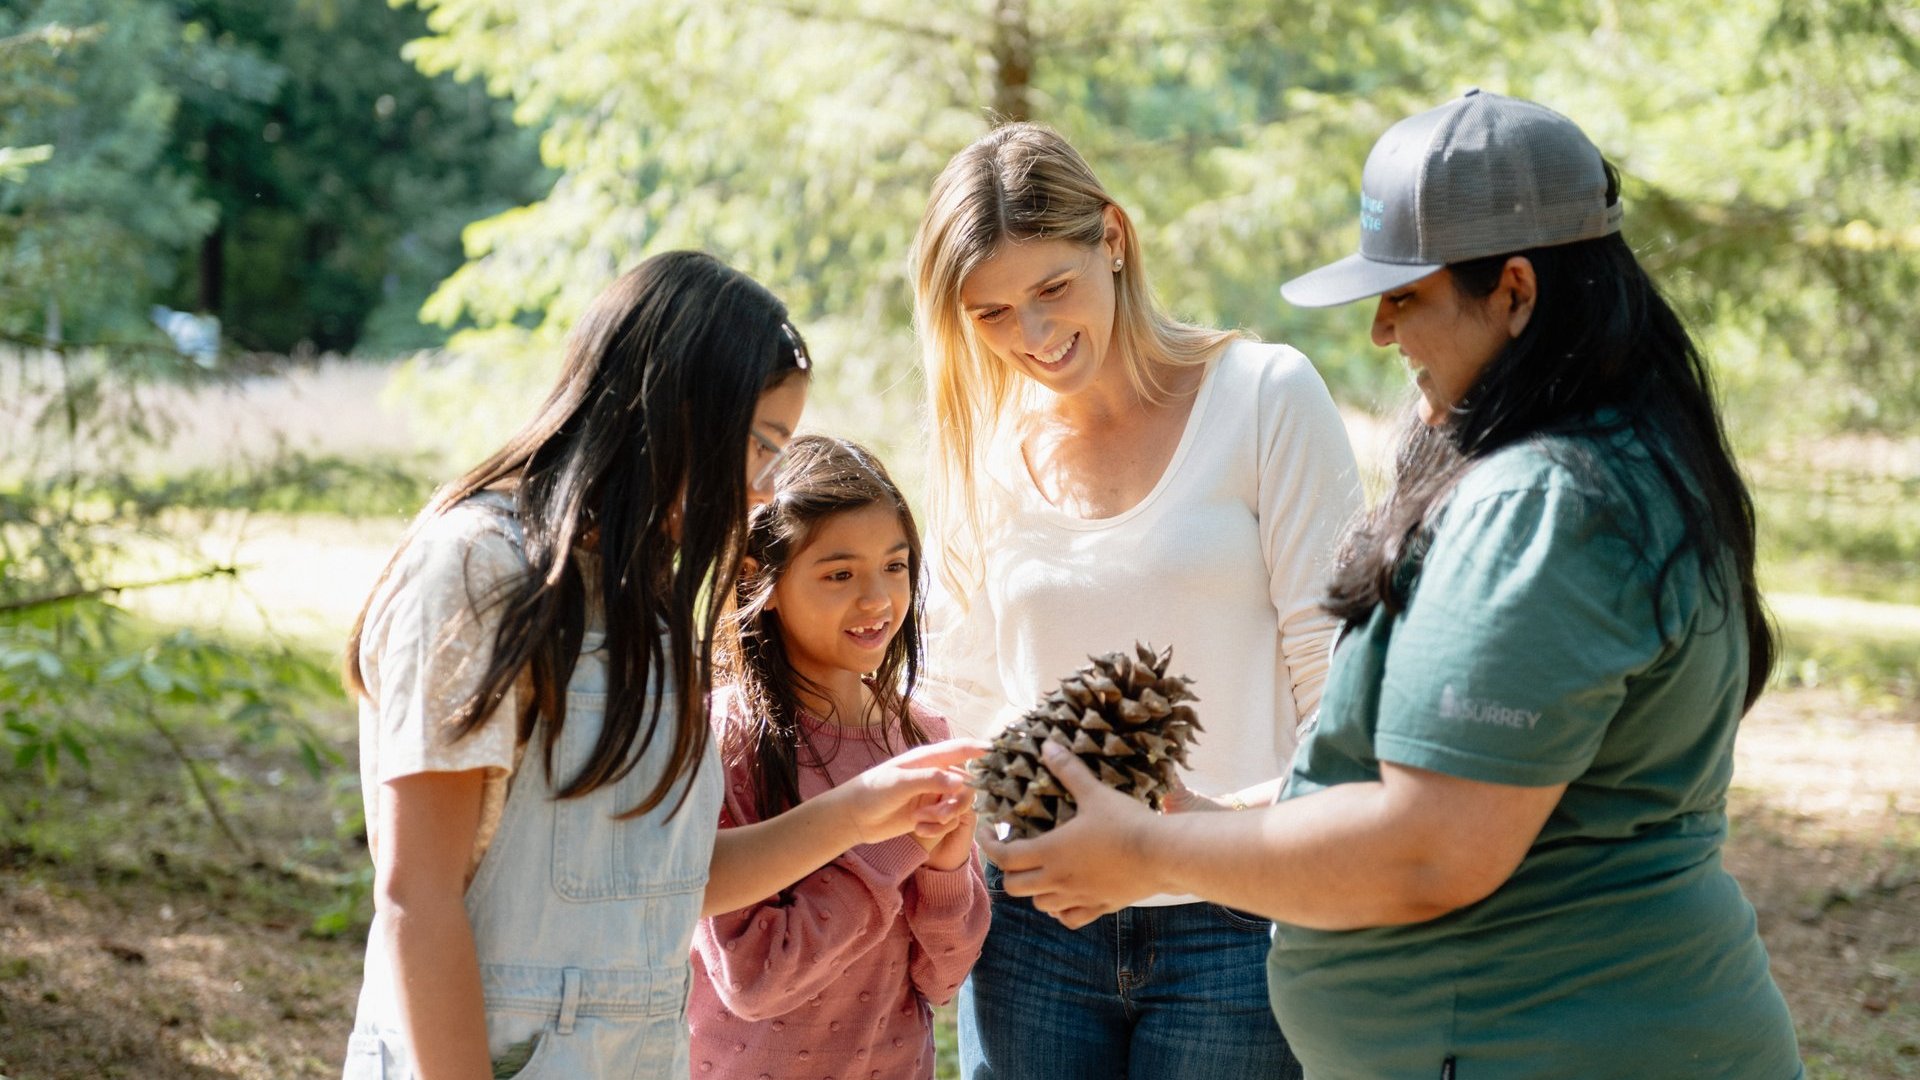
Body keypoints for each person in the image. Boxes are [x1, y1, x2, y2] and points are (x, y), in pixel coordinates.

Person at [984, 90, 1804, 1079]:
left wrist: (1156, 859)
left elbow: (1430, 848)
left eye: (1405, 295)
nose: (1379, 331)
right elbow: (1422, 786)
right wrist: (1204, 822)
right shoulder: (1615, 459)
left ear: (1514, 291)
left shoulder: (1549, 504)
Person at [339, 251, 981, 1080]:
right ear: (674, 413)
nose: (759, 491)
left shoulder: (649, 601)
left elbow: (676, 883)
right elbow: (415, 899)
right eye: (758, 448)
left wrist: (865, 812)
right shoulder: (477, 575)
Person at [910, 121, 1363, 1079]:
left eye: (1050, 290)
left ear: (1111, 238)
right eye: (989, 315)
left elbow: (1342, 693)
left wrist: (1187, 838)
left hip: (1236, 921)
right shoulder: (983, 452)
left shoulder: (1263, 397)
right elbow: (968, 700)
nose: (1030, 338)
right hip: (1037, 926)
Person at [688, 434, 991, 1080]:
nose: (877, 600)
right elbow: (754, 979)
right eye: (839, 574)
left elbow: (943, 978)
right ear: (758, 580)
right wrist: (893, 843)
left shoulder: (922, 738)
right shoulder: (728, 741)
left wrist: (945, 861)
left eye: (896, 565)